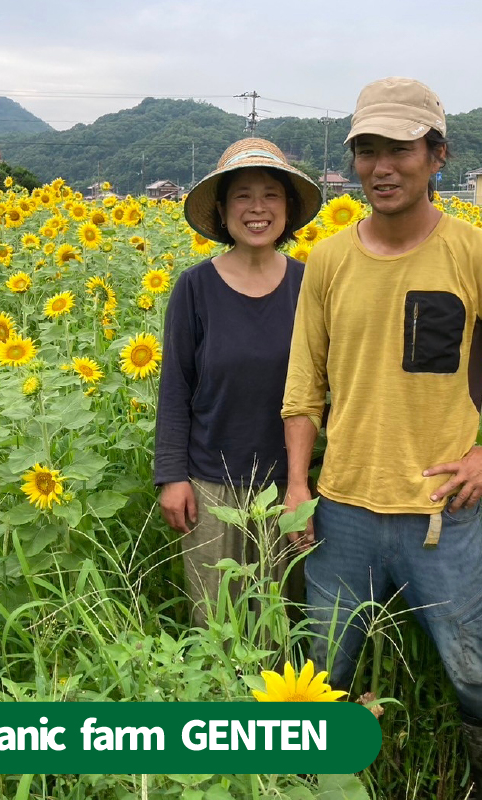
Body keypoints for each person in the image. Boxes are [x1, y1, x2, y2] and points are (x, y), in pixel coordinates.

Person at [281, 78, 482, 799]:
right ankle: (306, 785)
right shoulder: (326, 260)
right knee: (321, 673)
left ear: (437, 155)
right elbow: (303, 387)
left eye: (400, 150)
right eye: (367, 151)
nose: (382, 167)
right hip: (340, 512)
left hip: (440, 518)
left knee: (475, 671)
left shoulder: (477, 254)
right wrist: (297, 483)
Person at [155, 138, 322, 627]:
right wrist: (172, 477)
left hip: (288, 483)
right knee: (217, 622)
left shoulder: (309, 285)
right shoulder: (195, 287)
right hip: (210, 484)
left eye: (271, 194)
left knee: (280, 623)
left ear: (288, 209)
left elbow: (321, 388)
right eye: (243, 195)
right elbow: (175, 389)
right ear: (223, 211)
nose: (257, 208)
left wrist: (302, 486)